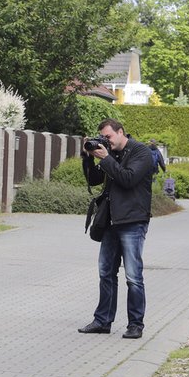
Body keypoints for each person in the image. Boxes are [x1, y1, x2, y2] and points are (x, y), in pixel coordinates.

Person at [77, 118, 155, 339]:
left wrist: (106, 158)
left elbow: (128, 179)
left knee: (133, 276)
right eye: (103, 137)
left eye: (109, 137)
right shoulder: (110, 154)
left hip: (132, 221)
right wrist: (88, 157)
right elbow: (94, 179)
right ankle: (102, 321)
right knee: (106, 273)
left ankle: (135, 325)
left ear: (121, 132)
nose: (106, 141)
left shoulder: (141, 152)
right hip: (111, 220)